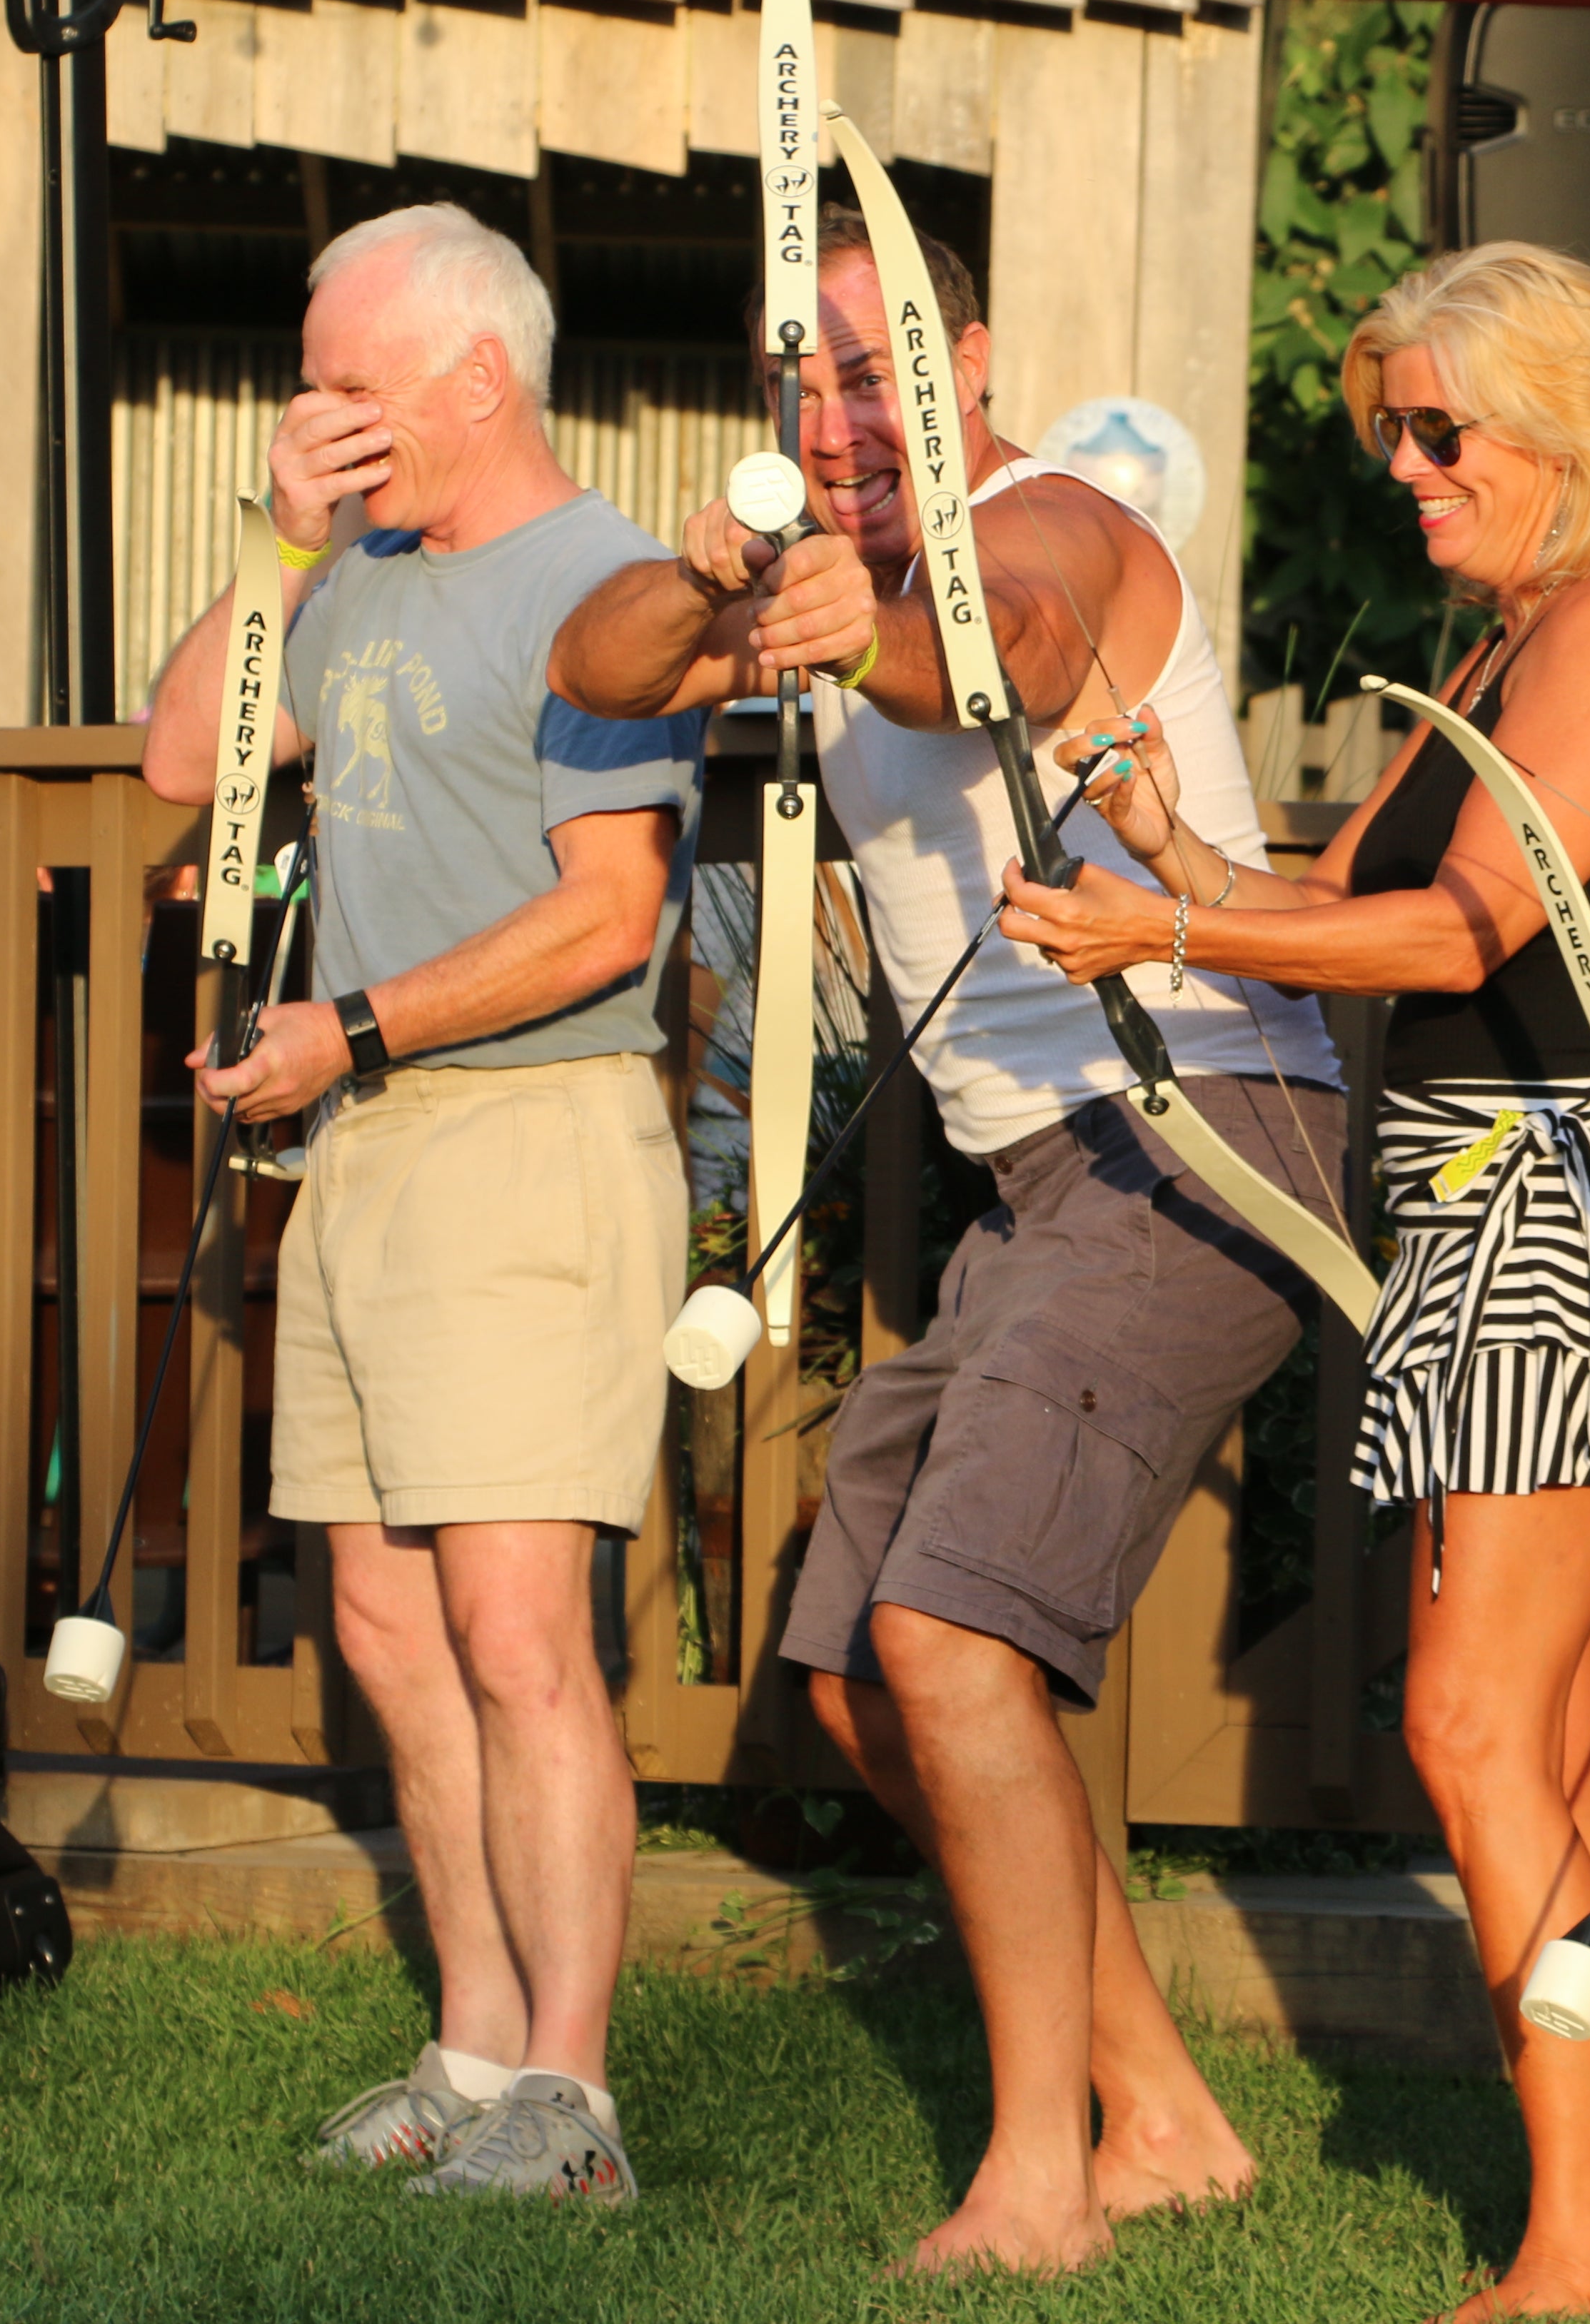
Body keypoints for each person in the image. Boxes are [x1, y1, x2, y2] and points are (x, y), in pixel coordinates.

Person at [550, 204, 1347, 2275]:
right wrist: (716, 587)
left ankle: (1036, 2183)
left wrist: (859, 634)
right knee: (857, 1681)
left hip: (1198, 1131)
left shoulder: (1045, 515)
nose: (832, 416)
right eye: (792, 380)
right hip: (1038, 1189)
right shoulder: (822, 572)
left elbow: (1023, 646)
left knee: (948, 1641)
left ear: (963, 361)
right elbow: (593, 665)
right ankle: (1162, 2118)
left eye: (866, 366)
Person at [994, 242, 1590, 2318]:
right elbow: (1335, 892)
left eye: (1442, 431)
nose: (1406, 469)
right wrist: (1168, 851)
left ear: (1575, 424)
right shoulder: (1516, 638)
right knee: (1543, 1747)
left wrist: (1159, 938)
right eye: (1392, 434)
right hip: (1498, 1196)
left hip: (1565, 1199)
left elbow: (1462, 932)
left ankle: (1580, 2245)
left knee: (1473, 1722)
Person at [143, 202, 698, 2209]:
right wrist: (276, 539)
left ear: (478, 377)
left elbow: (610, 918)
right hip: (363, 1146)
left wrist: (350, 1024)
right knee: (385, 1624)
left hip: (527, 1135)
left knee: (518, 1631)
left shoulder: (604, 591)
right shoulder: (358, 572)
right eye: (311, 388)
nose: (323, 417)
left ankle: (572, 2098)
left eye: (351, 387)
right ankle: (470, 2052)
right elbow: (177, 757)